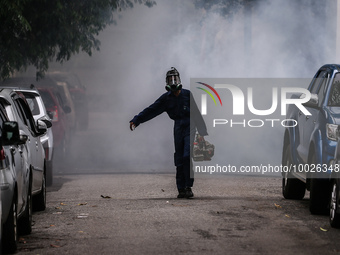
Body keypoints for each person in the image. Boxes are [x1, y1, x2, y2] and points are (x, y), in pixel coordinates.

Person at [129, 67, 208, 198]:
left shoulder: (187, 94)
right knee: (179, 158)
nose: (173, 82)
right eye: (170, 79)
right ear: (166, 82)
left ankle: (188, 186)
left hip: (190, 126)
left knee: (187, 156)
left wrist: (203, 131)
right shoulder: (166, 99)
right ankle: (181, 188)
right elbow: (152, 110)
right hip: (178, 127)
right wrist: (137, 120)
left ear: (179, 80)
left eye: (175, 79)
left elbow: (196, 113)